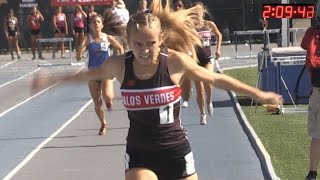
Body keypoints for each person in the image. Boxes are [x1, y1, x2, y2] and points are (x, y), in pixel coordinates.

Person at [32, 0, 282, 179]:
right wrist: (49, 80)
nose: (144, 50)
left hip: (175, 150)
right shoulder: (119, 66)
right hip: (140, 151)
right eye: (138, 44)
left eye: (150, 43)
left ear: (160, 40)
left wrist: (257, 94)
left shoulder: (174, 62)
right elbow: (86, 75)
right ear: (128, 42)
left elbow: (216, 79)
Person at [76, 14, 124, 135]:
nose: (96, 24)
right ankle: (103, 123)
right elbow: (78, 56)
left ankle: (109, 102)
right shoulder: (87, 38)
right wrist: (80, 51)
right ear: (90, 26)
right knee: (97, 103)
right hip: (92, 74)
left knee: (108, 97)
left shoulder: (107, 37)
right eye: (93, 22)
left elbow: (120, 48)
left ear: (102, 25)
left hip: (106, 73)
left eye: (98, 22)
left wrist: (119, 60)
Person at [192, 2, 222, 125]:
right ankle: (202, 113)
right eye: (195, 12)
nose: (197, 14)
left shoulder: (209, 24)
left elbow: (219, 34)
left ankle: (209, 100)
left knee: (208, 80)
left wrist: (218, 49)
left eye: (199, 11)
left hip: (207, 58)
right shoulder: (190, 27)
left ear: (203, 12)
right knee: (199, 90)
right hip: (195, 61)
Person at [301, 4, 320, 179]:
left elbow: (304, 46)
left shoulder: (311, 32)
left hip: (318, 87)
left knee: (317, 134)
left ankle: (313, 173)